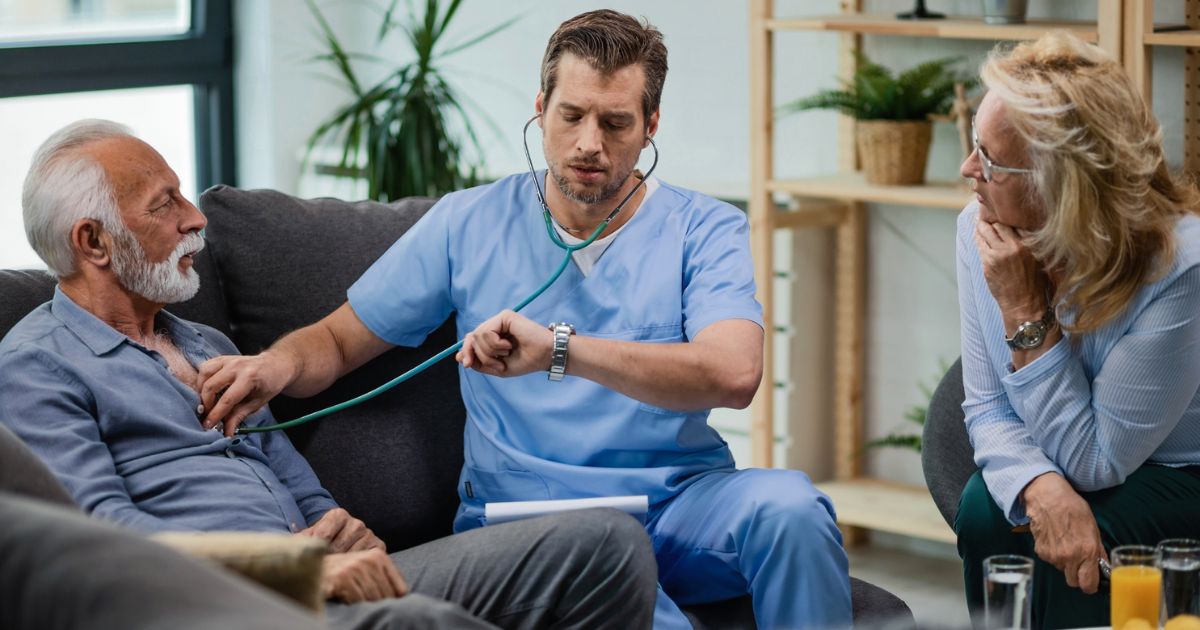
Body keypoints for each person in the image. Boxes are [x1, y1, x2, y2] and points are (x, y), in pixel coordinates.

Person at [198, 9, 851, 630]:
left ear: (652, 124)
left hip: (681, 505)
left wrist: (561, 349)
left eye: (617, 123)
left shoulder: (704, 229)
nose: (589, 144)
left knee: (791, 508)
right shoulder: (468, 221)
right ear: (541, 111)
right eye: (571, 116)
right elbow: (338, 341)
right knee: (611, 562)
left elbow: (734, 374)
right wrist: (275, 365)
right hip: (529, 522)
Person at [0, 119, 659, 630]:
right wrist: (295, 570)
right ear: (93, 243)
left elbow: (303, 493)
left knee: (605, 541)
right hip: (223, 602)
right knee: (417, 623)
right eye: (164, 204)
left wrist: (341, 529)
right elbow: (102, 543)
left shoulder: (207, 344)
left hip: (318, 579)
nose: (194, 219)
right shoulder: (36, 367)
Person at [956, 32, 1200, 628]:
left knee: (1089, 532)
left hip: (1176, 475)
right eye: (973, 146)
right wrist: (1039, 487)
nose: (967, 170)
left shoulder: (1180, 265)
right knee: (990, 511)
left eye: (989, 159)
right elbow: (986, 406)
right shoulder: (979, 226)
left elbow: (1095, 461)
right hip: (1067, 455)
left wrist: (1023, 309)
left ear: (1061, 184)